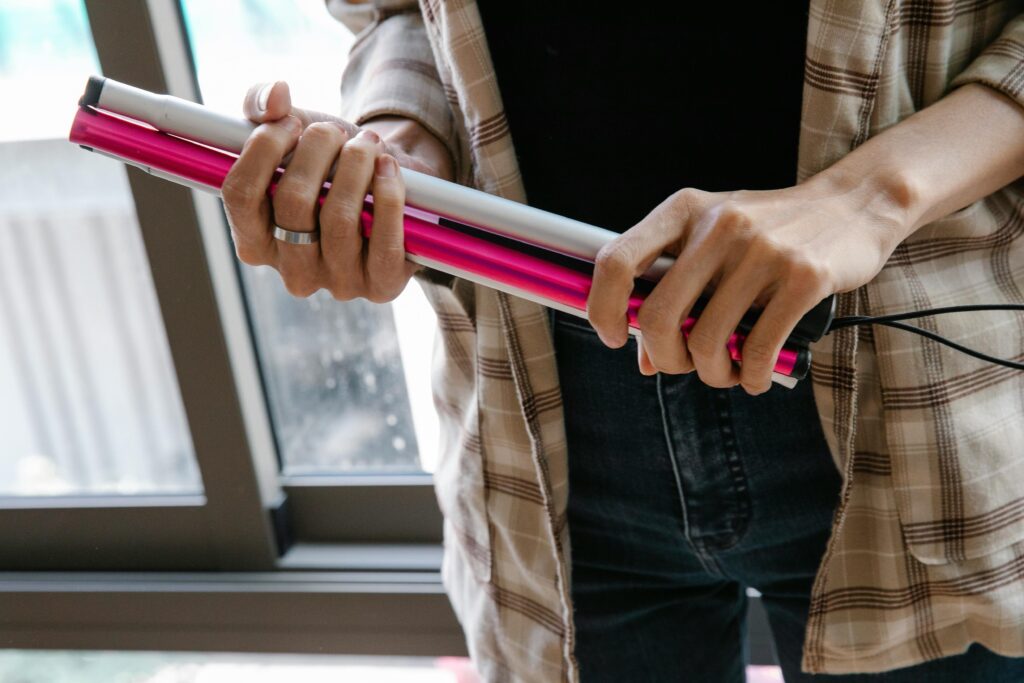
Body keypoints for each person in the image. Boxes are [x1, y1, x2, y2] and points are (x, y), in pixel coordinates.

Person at [221, 1, 1024, 680]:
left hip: (916, 401)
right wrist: (400, 143)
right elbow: (396, 12)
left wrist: (869, 196)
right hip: (544, 430)